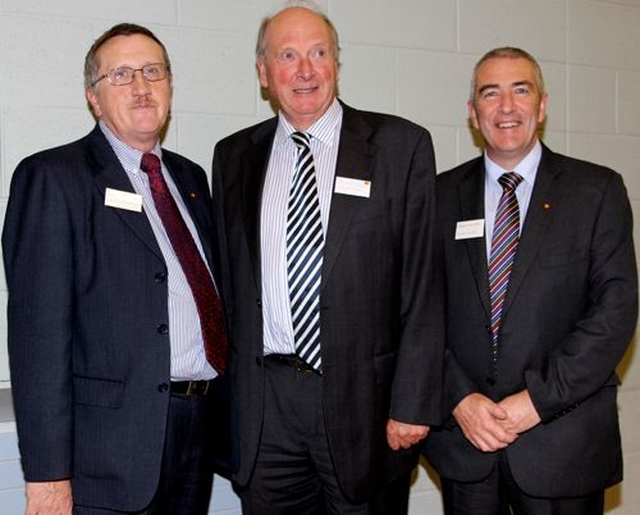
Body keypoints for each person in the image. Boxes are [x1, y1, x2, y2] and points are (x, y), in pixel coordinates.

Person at [211, 1, 443, 513]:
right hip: (266, 410)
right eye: (287, 55)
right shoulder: (233, 157)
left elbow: (424, 288)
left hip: (368, 406)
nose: (305, 70)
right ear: (264, 72)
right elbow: (229, 287)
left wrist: (413, 403)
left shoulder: (400, 147)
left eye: (319, 52)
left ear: (337, 62)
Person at [2, 23, 232, 515]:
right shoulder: (53, 179)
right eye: (122, 74)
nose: (141, 86)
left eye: (153, 71)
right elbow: (36, 339)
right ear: (94, 97)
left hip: (195, 431)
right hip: (107, 451)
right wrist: (47, 474)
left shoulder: (190, 179)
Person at [423, 46, 638, 515]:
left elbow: (615, 310)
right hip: (467, 441)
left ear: (541, 106)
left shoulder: (596, 191)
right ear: (473, 112)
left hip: (562, 441)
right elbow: (419, 312)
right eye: (490, 93)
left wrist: (536, 401)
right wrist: (458, 398)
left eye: (521, 91)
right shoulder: (437, 198)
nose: (505, 107)